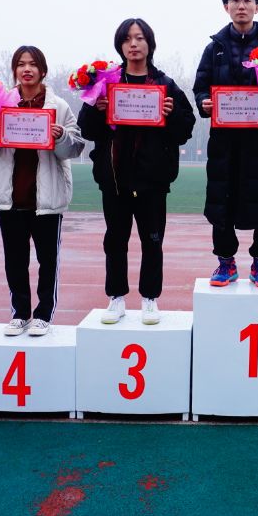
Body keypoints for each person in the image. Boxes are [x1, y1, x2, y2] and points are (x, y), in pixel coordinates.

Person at [78, 18, 195, 325]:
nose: (133, 44)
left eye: (140, 38)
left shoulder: (165, 84)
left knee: (152, 241)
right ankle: (116, 297)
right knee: (115, 240)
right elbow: (87, 129)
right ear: (120, 45)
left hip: (152, 180)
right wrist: (97, 110)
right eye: (127, 38)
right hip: (114, 179)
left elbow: (186, 129)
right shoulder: (105, 84)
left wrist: (171, 114)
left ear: (149, 44)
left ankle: (150, 298)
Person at [192, 0, 258, 288]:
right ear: (226, 7)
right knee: (222, 198)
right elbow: (200, 87)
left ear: (257, 7)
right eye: (235, 0)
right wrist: (204, 102)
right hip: (224, 141)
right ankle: (225, 262)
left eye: (247, 1)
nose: (241, 6)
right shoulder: (215, 48)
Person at [0, 46, 84, 337]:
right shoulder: (0, 106)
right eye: (20, 64)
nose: (26, 69)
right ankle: (19, 314)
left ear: (43, 70)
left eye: (32, 64)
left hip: (46, 198)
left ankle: (43, 315)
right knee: (15, 261)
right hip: (10, 196)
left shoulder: (59, 106)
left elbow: (75, 148)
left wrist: (61, 136)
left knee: (47, 260)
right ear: (14, 70)